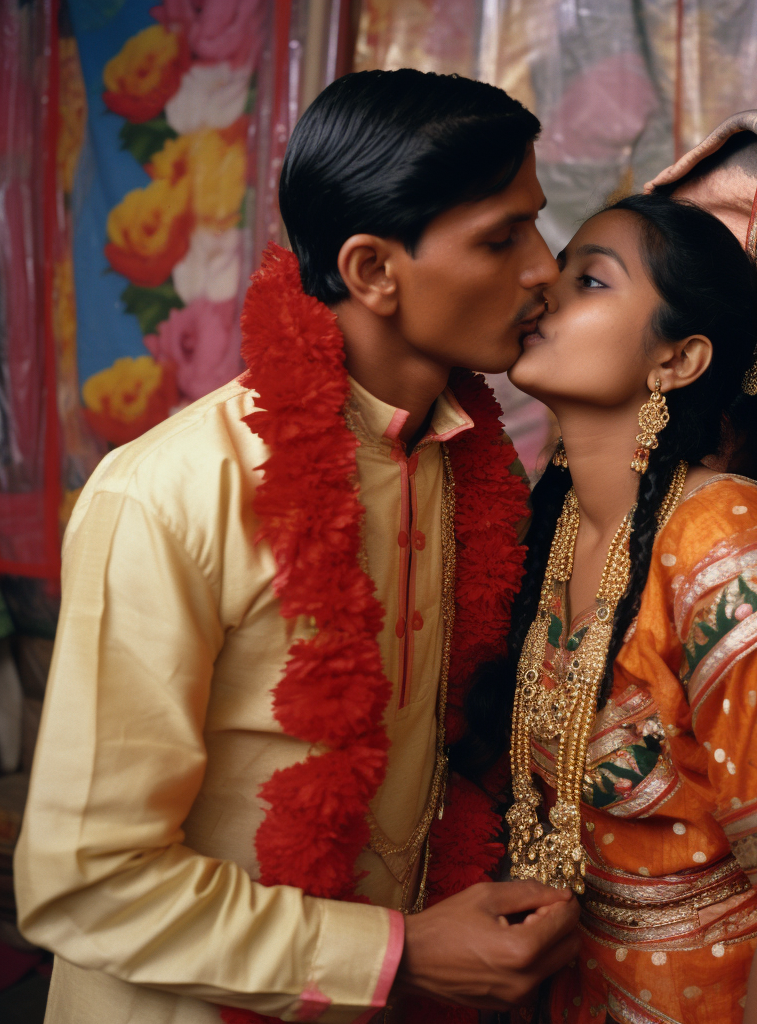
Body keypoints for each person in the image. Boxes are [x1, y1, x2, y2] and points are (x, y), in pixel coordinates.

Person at [13, 69, 581, 1024]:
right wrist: (397, 958)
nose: (544, 269)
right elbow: (84, 884)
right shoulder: (170, 494)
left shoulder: (465, 471)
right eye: (501, 237)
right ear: (371, 271)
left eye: (537, 224)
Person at [459, 191, 757, 1023]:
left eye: (591, 281)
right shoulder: (549, 527)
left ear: (677, 361)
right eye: (558, 272)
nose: (546, 292)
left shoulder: (739, 551)